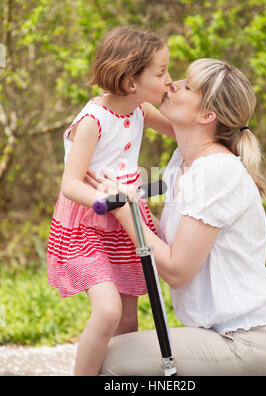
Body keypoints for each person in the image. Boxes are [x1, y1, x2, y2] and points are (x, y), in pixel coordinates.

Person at [90, 58, 266, 376]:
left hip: (244, 341)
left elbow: (177, 271)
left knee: (107, 360)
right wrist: (121, 88)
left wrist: (125, 211)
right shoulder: (183, 158)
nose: (172, 83)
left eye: (187, 85)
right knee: (110, 346)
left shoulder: (217, 171)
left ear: (207, 115)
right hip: (217, 335)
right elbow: (134, 107)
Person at [47, 26, 174, 376]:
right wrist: (109, 201)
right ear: (131, 82)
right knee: (107, 311)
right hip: (89, 220)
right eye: (162, 73)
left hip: (125, 218)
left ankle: (117, 378)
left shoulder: (140, 110)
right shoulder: (93, 120)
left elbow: (184, 129)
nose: (169, 80)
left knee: (128, 319)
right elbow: (71, 184)